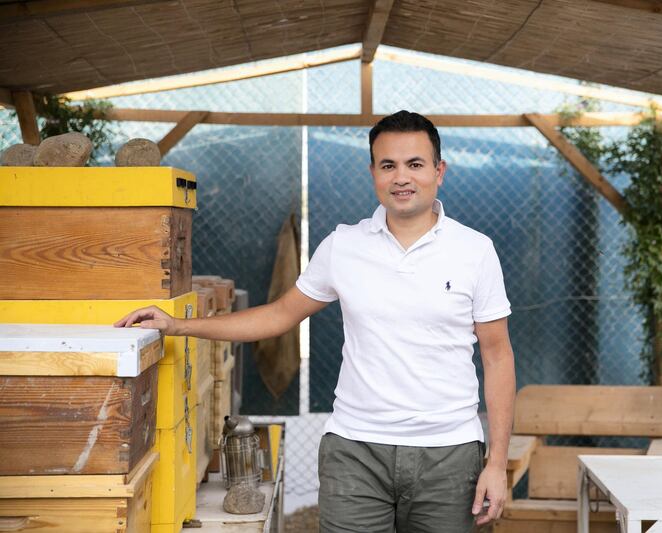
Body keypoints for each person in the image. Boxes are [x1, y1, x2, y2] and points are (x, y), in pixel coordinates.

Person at [115, 110, 515, 532]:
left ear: (439, 171)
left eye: (415, 164)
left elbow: (498, 357)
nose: (402, 177)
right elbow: (278, 316)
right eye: (388, 165)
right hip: (356, 452)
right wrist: (178, 325)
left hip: (449, 453)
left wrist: (497, 463)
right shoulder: (344, 245)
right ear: (373, 172)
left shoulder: (475, 250)